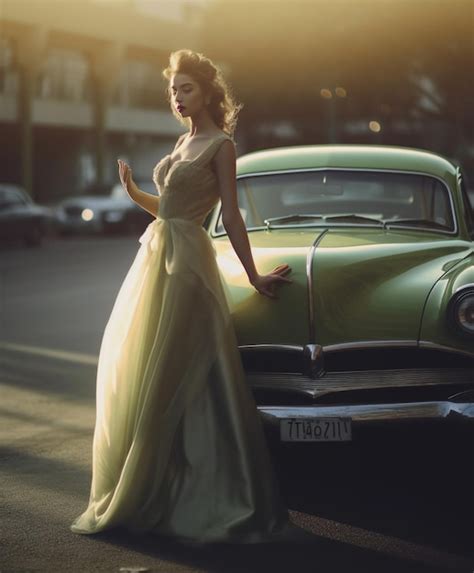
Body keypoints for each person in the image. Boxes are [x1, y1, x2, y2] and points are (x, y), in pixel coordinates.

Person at [70, 49, 294, 544]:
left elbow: (229, 216)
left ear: (209, 93)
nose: (176, 97)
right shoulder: (183, 139)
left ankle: (200, 491)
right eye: (173, 90)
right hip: (156, 259)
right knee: (146, 366)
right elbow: (168, 208)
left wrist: (255, 275)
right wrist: (133, 192)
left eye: (186, 88)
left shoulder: (222, 146)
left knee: (182, 368)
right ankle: (157, 485)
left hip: (190, 263)